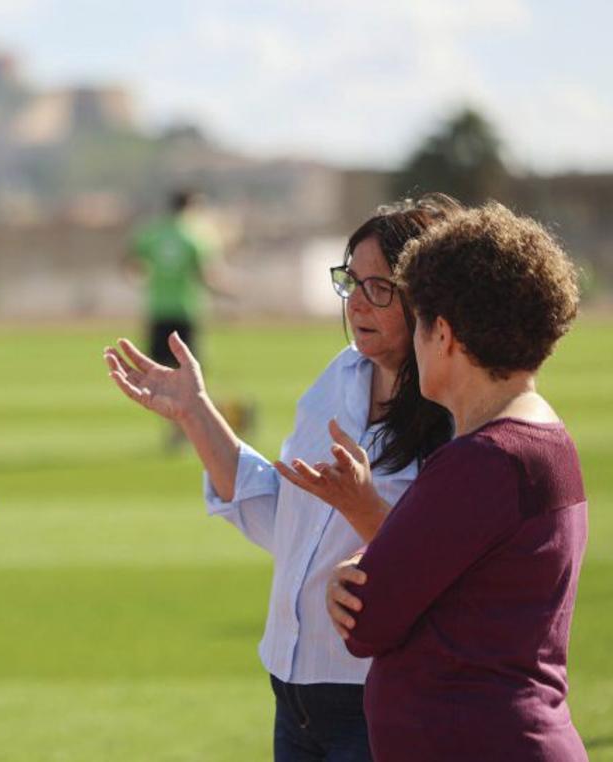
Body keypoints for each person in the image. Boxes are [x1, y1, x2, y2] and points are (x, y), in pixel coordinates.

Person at [104, 195, 458, 761]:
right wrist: (197, 414)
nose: (359, 303)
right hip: (293, 699)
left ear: (427, 297)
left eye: (380, 288)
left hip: (381, 702)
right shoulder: (337, 376)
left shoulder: (459, 413)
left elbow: (451, 576)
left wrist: (364, 507)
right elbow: (288, 525)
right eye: (351, 282)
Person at [323, 203, 586, 760]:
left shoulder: (484, 460)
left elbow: (365, 621)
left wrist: (355, 572)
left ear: (441, 333)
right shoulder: (537, 435)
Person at [125, 189, 226, 447]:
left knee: (161, 372)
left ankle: (173, 426)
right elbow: (207, 274)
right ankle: (188, 425)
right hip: (185, 309)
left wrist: (148, 278)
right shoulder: (197, 235)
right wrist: (228, 294)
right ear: (192, 206)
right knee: (190, 371)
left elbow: (132, 264)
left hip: (158, 308)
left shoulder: (152, 232)